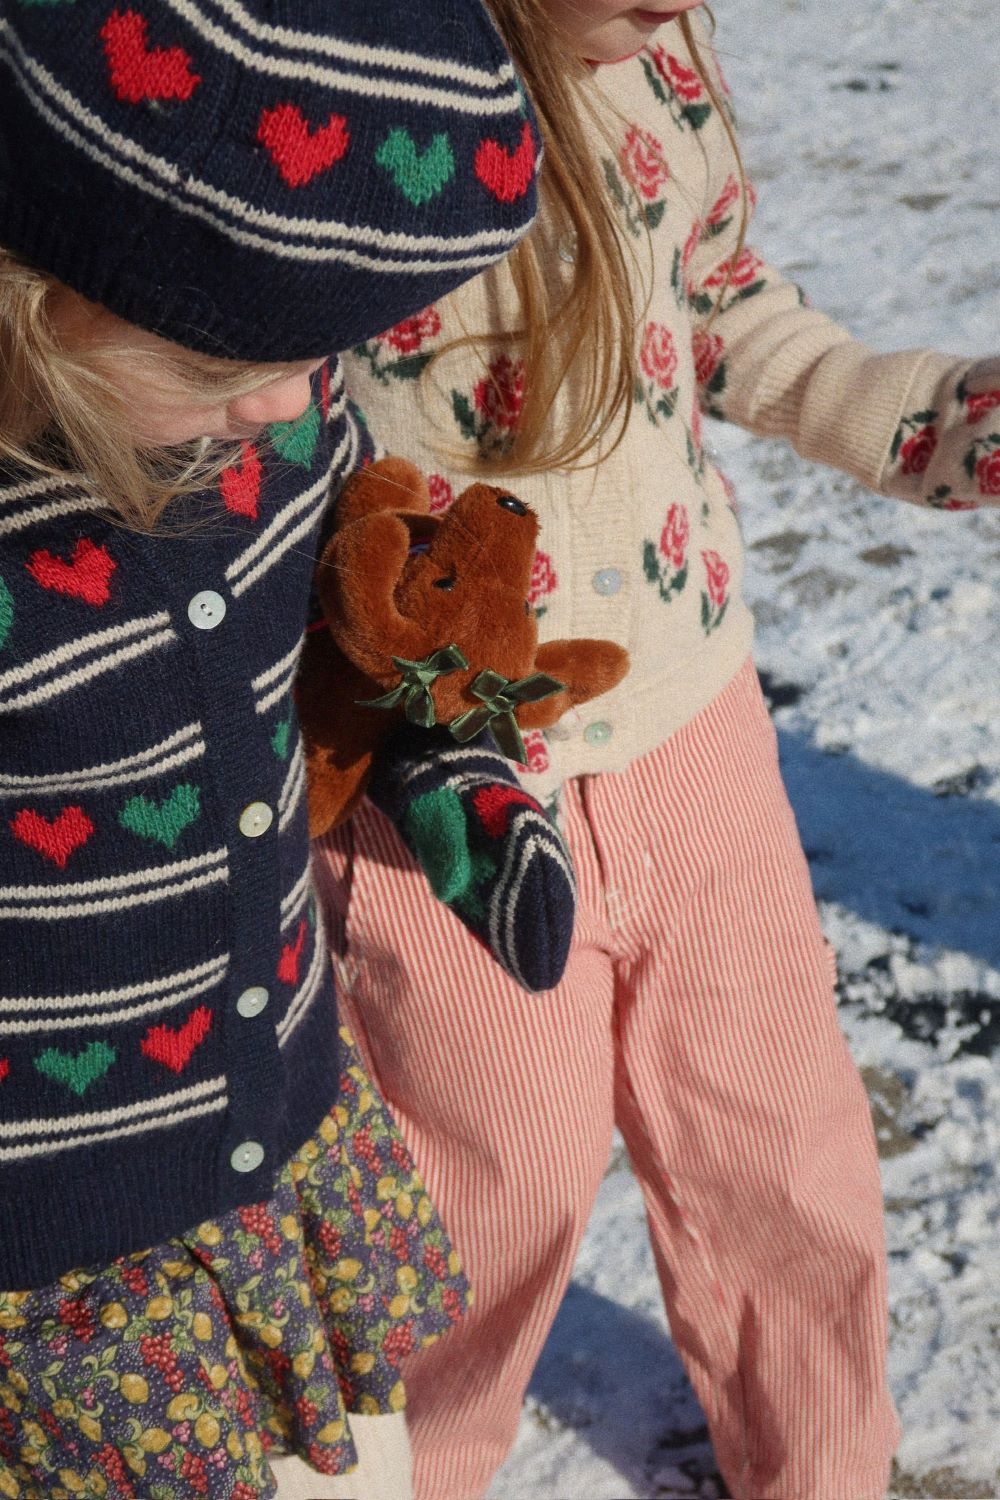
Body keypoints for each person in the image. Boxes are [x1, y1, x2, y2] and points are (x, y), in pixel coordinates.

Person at [313, 2, 1000, 1497]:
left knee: (781, 1145)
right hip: (453, 789)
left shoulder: (659, 63)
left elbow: (731, 312)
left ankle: (821, 1462)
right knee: (487, 1184)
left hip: (697, 728)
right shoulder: (353, 80)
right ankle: (409, 1466)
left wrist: (934, 424)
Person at [0, 2, 542, 1496]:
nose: (295, 403)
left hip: (275, 1126)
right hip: (62, 1274)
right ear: (39, 288)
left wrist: (446, 753)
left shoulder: (276, 417)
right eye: (228, 354)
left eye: (331, 353)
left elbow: (351, 607)